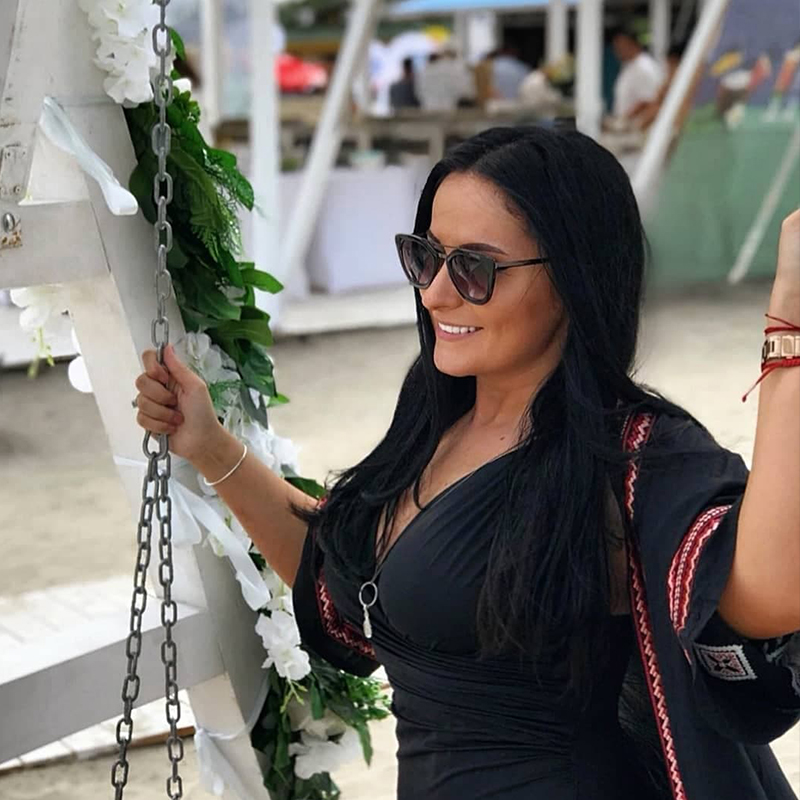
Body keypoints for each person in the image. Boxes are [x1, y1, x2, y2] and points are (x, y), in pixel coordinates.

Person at [134, 126, 800, 800]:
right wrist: (211, 446)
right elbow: (341, 577)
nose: (435, 294)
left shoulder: (628, 454)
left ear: (574, 275)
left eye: (475, 268)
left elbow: (768, 595)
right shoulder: (436, 416)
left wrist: (789, 329)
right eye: (426, 257)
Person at [610, 26, 664, 119]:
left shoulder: (644, 67)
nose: (617, 51)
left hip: (636, 124)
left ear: (632, 44)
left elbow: (650, 100)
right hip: (625, 123)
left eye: (620, 46)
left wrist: (625, 119)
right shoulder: (629, 65)